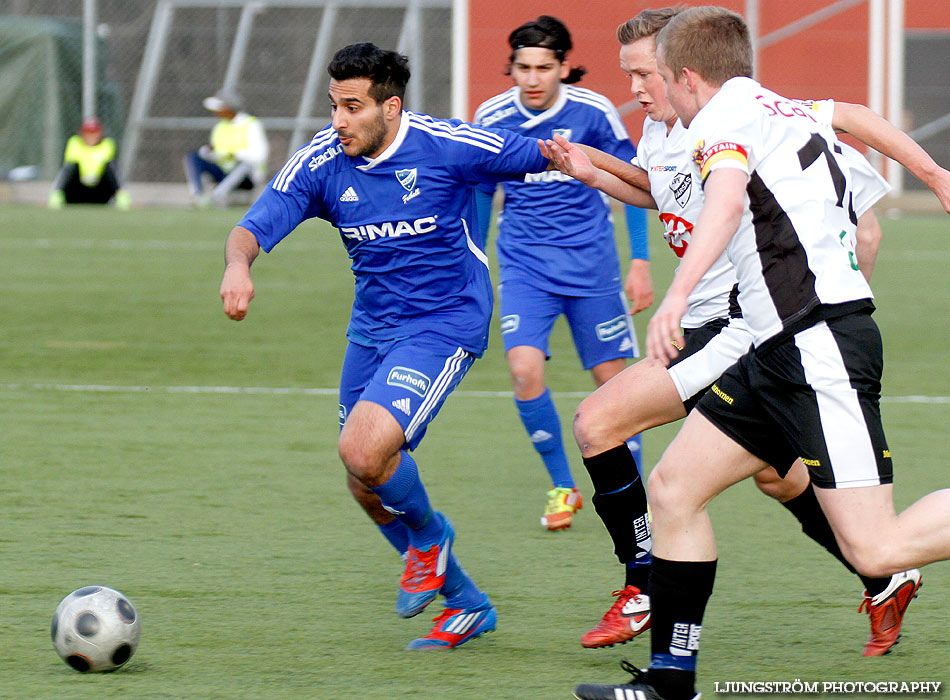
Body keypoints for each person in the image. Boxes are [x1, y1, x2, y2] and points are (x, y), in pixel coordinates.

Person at [565, 7, 950, 700]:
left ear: (687, 75)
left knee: (877, 549)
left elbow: (724, 201)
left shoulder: (720, 123)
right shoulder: (779, 107)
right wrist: (934, 172)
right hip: (771, 347)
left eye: (652, 79)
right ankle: (669, 682)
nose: (648, 98)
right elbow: (852, 122)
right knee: (676, 490)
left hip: (817, 343)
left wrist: (678, 294)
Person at [219, 43, 556, 649]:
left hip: (445, 322)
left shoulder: (448, 145)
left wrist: (649, 178)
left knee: (364, 446)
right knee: (362, 476)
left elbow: (549, 155)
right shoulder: (322, 161)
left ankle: (429, 539)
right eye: (333, 106)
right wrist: (238, 267)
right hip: (372, 330)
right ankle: (467, 602)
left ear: (390, 107)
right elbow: (250, 228)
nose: (338, 121)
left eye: (352, 107)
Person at [472, 15, 651, 532]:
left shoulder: (593, 112)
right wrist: (476, 262)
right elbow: (484, 190)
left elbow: (631, 181)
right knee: (524, 369)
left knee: (615, 389)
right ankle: (562, 487)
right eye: (523, 67)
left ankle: (632, 497)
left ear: (563, 68)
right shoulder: (492, 115)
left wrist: (639, 261)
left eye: (543, 68)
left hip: (592, 266)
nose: (532, 78)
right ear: (512, 68)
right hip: (526, 266)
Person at [186, 88, 269, 207]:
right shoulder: (219, 127)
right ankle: (198, 197)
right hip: (223, 171)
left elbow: (260, 156)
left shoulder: (251, 124)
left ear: (229, 107)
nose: (215, 111)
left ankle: (216, 197)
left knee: (244, 164)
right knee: (193, 157)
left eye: (219, 107)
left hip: (246, 177)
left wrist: (234, 154)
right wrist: (210, 152)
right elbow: (216, 150)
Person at [48, 116, 130, 209]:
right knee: (71, 166)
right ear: (82, 133)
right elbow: (66, 170)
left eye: (94, 132)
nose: (91, 136)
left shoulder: (107, 144)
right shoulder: (74, 143)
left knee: (110, 166)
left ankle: (121, 196)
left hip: (100, 192)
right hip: (76, 191)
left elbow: (113, 171)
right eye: (88, 132)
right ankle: (57, 195)